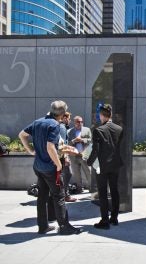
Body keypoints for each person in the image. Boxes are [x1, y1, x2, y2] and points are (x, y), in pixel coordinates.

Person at [18, 100, 82, 235]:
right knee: (59, 196)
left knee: (42, 197)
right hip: (50, 168)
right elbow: (50, 146)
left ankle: (43, 226)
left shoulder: (38, 122)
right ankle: (64, 227)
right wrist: (58, 165)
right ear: (63, 114)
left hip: (38, 166)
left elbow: (22, 135)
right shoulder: (54, 125)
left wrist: (30, 151)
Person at [87, 104, 123, 229]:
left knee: (102, 193)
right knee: (114, 191)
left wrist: (89, 161)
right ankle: (114, 218)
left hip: (102, 166)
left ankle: (105, 221)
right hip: (115, 165)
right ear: (110, 115)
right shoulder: (119, 129)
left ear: (101, 115)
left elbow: (95, 150)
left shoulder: (98, 130)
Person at [68, 116, 92, 193]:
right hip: (74, 155)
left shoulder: (87, 130)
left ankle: (92, 188)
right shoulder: (69, 131)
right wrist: (74, 140)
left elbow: (90, 140)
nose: (80, 123)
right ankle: (79, 188)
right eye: (78, 122)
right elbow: (66, 143)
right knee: (76, 173)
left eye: (81, 121)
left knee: (88, 172)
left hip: (84, 154)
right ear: (74, 122)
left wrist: (82, 140)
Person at [59, 112, 77, 202]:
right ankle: (64, 194)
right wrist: (66, 157)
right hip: (62, 155)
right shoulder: (62, 127)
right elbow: (62, 143)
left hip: (61, 155)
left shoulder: (62, 127)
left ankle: (64, 194)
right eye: (69, 119)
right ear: (64, 118)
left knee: (64, 175)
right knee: (68, 174)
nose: (69, 121)